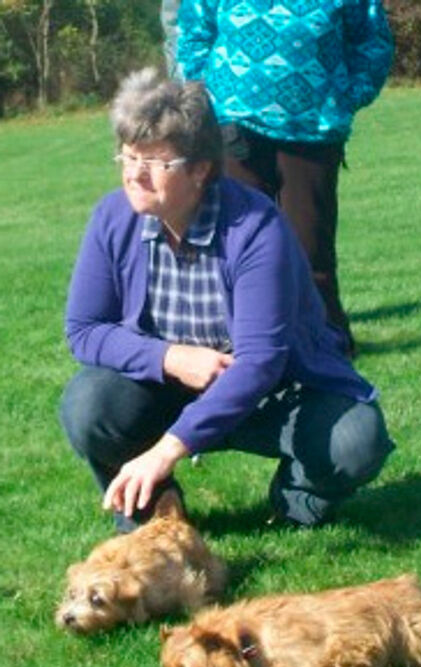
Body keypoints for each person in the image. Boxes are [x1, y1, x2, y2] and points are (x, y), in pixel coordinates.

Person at [60, 68, 394, 532]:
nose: (134, 174)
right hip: (165, 388)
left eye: (156, 162)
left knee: (357, 439)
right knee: (88, 405)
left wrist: (168, 448)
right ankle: (155, 509)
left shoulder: (256, 227)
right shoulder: (112, 218)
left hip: (271, 392)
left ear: (201, 169)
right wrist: (170, 357)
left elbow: (261, 362)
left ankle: (293, 505)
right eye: (127, 156)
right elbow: (84, 329)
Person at [173, 0, 395, 358]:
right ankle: (239, 350)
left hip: (315, 130)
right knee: (238, 244)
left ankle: (327, 349)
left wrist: (345, 97)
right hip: (233, 124)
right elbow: (192, 36)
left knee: (310, 250)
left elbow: (373, 42)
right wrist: (206, 102)